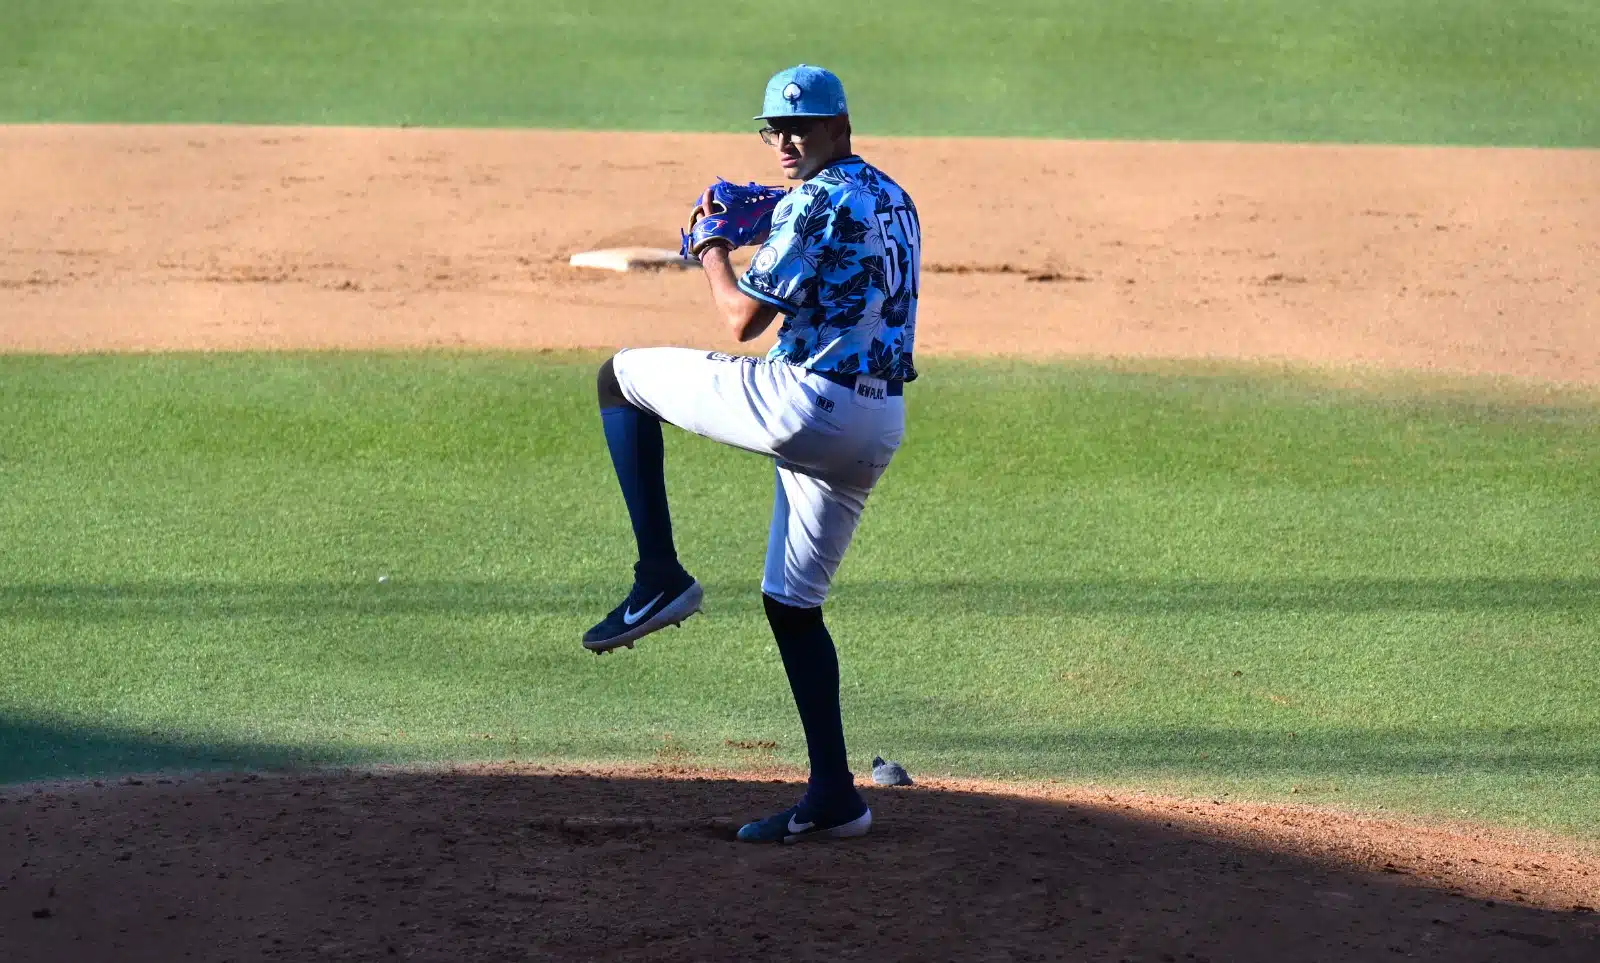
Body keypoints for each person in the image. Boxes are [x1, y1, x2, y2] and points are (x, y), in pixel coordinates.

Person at [585, 64, 921, 844]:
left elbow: (740, 319)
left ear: (842, 125)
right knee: (793, 604)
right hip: (876, 424)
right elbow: (835, 223)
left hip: (806, 406)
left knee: (620, 378)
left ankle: (657, 577)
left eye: (802, 128)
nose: (787, 141)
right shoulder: (895, 196)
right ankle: (836, 795)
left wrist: (709, 246)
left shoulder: (810, 200)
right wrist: (774, 207)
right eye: (776, 129)